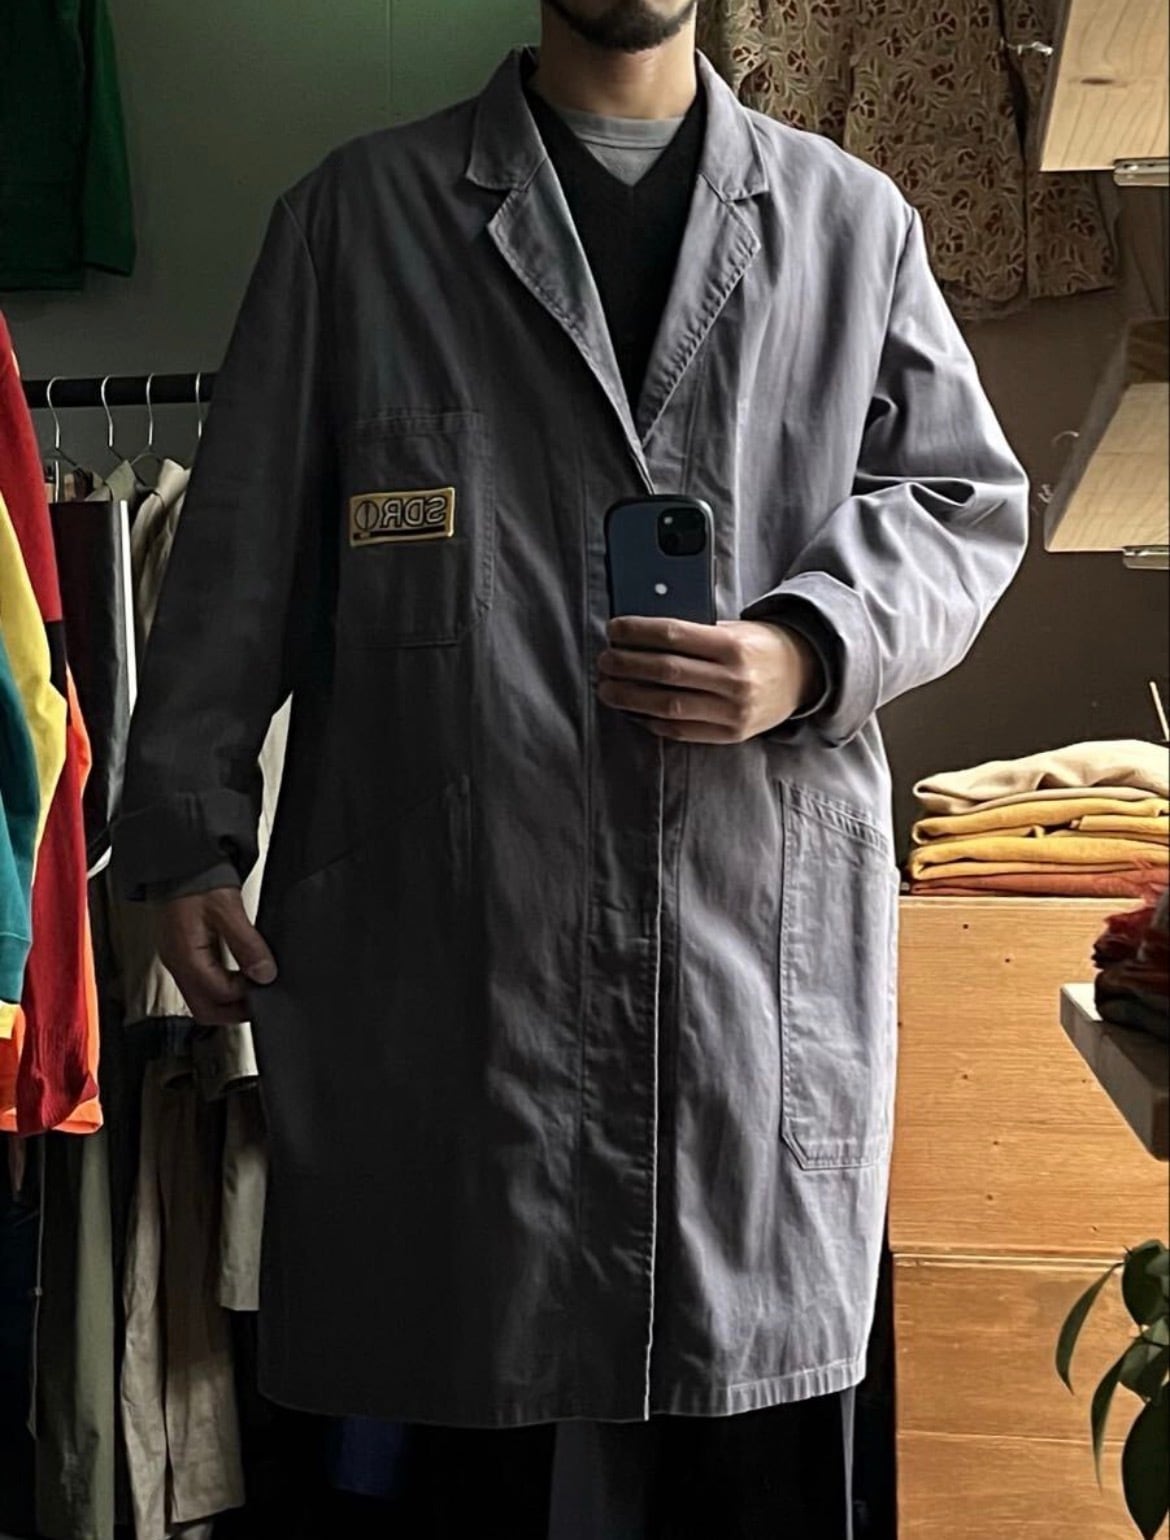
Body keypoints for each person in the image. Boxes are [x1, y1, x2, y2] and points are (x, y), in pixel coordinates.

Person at [114, 2, 1029, 1535]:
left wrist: (806, 648)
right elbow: (239, 551)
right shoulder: (359, 221)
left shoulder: (847, 221)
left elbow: (959, 504)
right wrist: (185, 836)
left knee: (746, 1456)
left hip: (744, 966)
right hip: (458, 974)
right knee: (449, 1441)